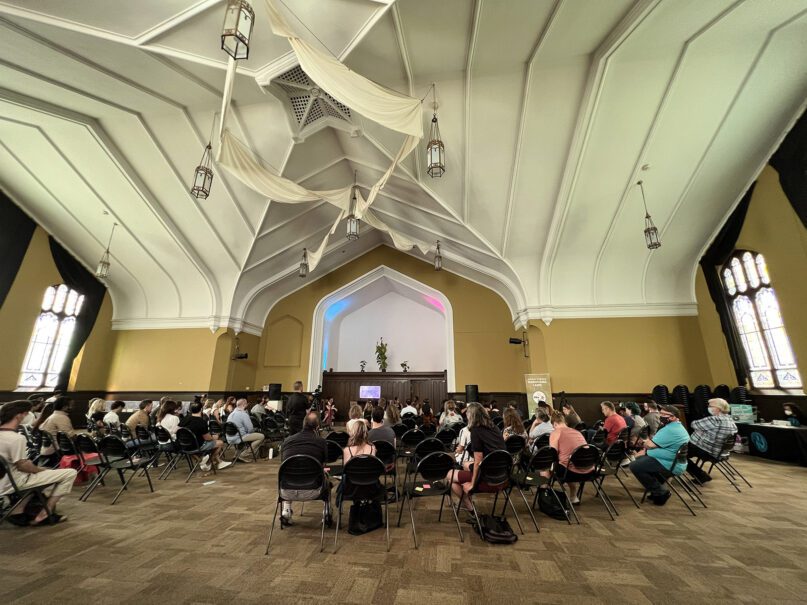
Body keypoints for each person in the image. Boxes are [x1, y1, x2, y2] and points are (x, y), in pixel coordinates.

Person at [0, 400, 77, 526]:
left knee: (38, 478)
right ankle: (45, 513)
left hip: (4, 480)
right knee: (70, 473)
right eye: (27, 413)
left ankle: (17, 511)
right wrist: (41, 470)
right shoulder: (16, 439)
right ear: (19, 415)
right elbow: (23, 466)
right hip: (13, 483)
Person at [447, 402, 506, 512]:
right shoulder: (495, 428)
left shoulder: (476, 431)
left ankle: (470, 507)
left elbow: (478, 461)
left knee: (450, 475)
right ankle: (467, 499)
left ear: (471, 416)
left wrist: (472, 484)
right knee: (465, 464)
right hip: (502, 475)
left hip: (489, 479)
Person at [628, 405, 689, 505]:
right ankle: (656, 490)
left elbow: (650, 445)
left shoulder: (670, 430)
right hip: (672, 462)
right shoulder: (676, 426)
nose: (660, 416)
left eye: (663, 414)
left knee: (635, 466)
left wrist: (641, 441)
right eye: (660, 413)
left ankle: (661, 493)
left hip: (670, 465)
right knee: (641, 460)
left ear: (673, 417)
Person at [279, 411, 331, 527]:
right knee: (327, 476)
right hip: (313, 489)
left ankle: (286, 510)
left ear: (303, 424)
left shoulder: (286, 441)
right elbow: (324, 465)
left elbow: (283, 465)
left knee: (289, 472)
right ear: (318, 427)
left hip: (286, 490)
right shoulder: (321, 442)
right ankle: (326, 512)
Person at [686, 398, 737, 483]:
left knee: (677, 454)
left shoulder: (715, 419)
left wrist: (701, 430)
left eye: (710, 406)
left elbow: (693, 424)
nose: (708, 408)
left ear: (717, 408)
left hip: (708, 451)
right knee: (682, 452)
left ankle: (701, 475)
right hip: (721, 452)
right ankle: (700, 475)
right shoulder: (730, 419)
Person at [548, 411, 593, 505]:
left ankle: (546, 497)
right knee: (567, 462)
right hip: (589, 471)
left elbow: (553, 454)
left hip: (570, 473)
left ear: (555, 424)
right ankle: (573, 496)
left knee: (546, 469)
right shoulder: (577, 432)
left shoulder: (556, 432)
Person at [179, 402, 231, 471]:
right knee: (220, 442)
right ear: (201, 409)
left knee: (212, 442)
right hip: (197, 446)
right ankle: (208, 462)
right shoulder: (201, 421)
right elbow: (207, 438)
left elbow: (177, 431)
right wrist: (214, 437)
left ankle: (216, 461)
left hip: (184, 445)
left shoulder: (184, 419)